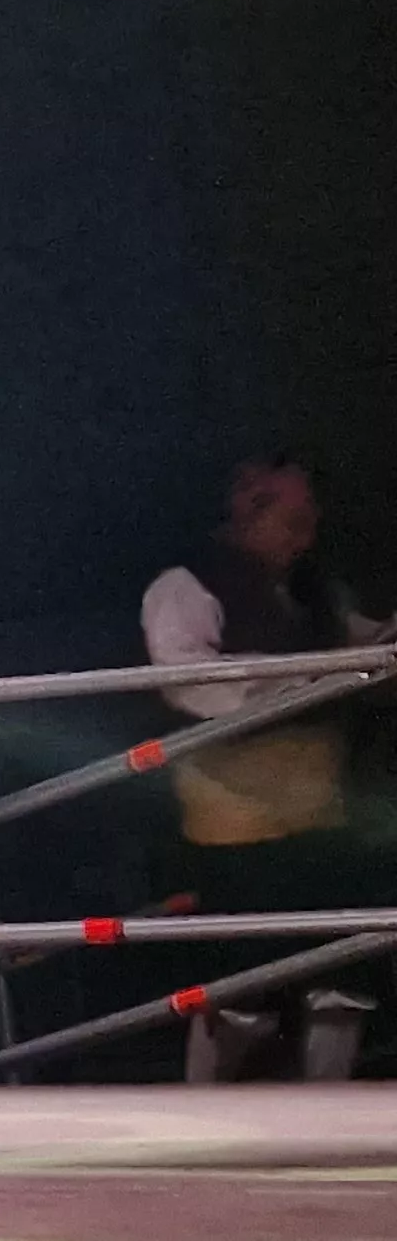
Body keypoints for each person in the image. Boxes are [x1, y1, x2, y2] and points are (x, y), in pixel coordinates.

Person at [141, 454, 396, 1081]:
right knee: (240, 996)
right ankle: (200, 1124)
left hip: (323, 821)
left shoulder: (317, 591)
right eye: (294, 521)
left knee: (342, 985)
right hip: (237, 831)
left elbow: (365, 645)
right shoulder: (184, 585)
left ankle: (323, 1122)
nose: (304, 538)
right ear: (249, 509)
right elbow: (189, 683)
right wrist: (308, 677)